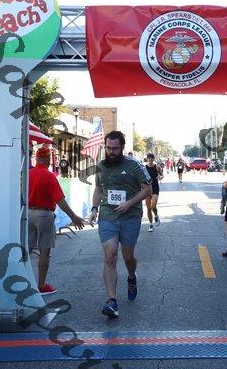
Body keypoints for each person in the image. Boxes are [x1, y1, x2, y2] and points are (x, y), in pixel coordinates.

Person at [88, 131, 152, 319]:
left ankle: (131, 277)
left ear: (122, 147)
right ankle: (112, 301)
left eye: (115, 148)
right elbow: (98, 189)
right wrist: (94, 209)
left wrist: (129, 203)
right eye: (108, 148)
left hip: (130, 217)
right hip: (107, 216)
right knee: (110, 256)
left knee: (128, 257)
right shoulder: (101, 166)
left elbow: (147, 189)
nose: (111, 152)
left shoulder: (134, 166)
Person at [28, 146, 84, 295]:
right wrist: (73, 216)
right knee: (44, 251)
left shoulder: (28, 174)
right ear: (47, 159)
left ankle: (21, 282)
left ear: (37, 158)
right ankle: (41, 285)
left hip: (28, 213)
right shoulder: (49, 176)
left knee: (25, 250)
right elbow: (59, 199)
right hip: (44, 215)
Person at [144, 153, 163, 232]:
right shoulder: (144, 168)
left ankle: (156, 215)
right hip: (147, 188)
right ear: (147, 159)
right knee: (148, 208)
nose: (150, 159)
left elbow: (162, 175)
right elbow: (141, 178)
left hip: (155, 188)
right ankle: (151, 224)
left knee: (153, 206)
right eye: (149, 158)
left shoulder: (157, 167)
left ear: (153, 159)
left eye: (152, 158)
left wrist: (160, 177)